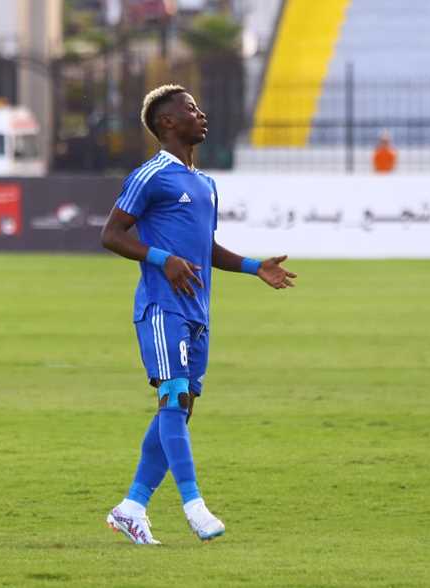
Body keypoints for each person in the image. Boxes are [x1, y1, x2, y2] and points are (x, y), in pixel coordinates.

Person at [100, 84, 297, 545]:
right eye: (191, 109)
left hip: (197, 312)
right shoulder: (151, 175)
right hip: (161, 307)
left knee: (181, 409)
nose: (201, 114)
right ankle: (194, 505)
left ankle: (131, 507)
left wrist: (254, 267)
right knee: (172, 399)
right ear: (168, 122)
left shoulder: (205, 183)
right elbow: (112, 234)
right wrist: (162, 259)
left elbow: (203, 248)